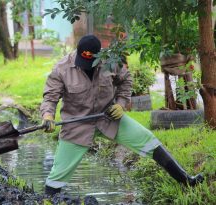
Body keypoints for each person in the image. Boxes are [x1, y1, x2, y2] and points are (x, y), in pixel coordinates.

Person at [40, 35, 204, 196]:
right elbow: (50, 97)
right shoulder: (61, 69)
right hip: (77, 125)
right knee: (58, 174)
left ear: (100, 55)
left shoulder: (110, 61)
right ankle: (48, 199)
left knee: (148, 140)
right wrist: (48, 116)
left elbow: (126, 80)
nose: (87, 66)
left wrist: (121, 103)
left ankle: (187, 180)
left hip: (109, 117)